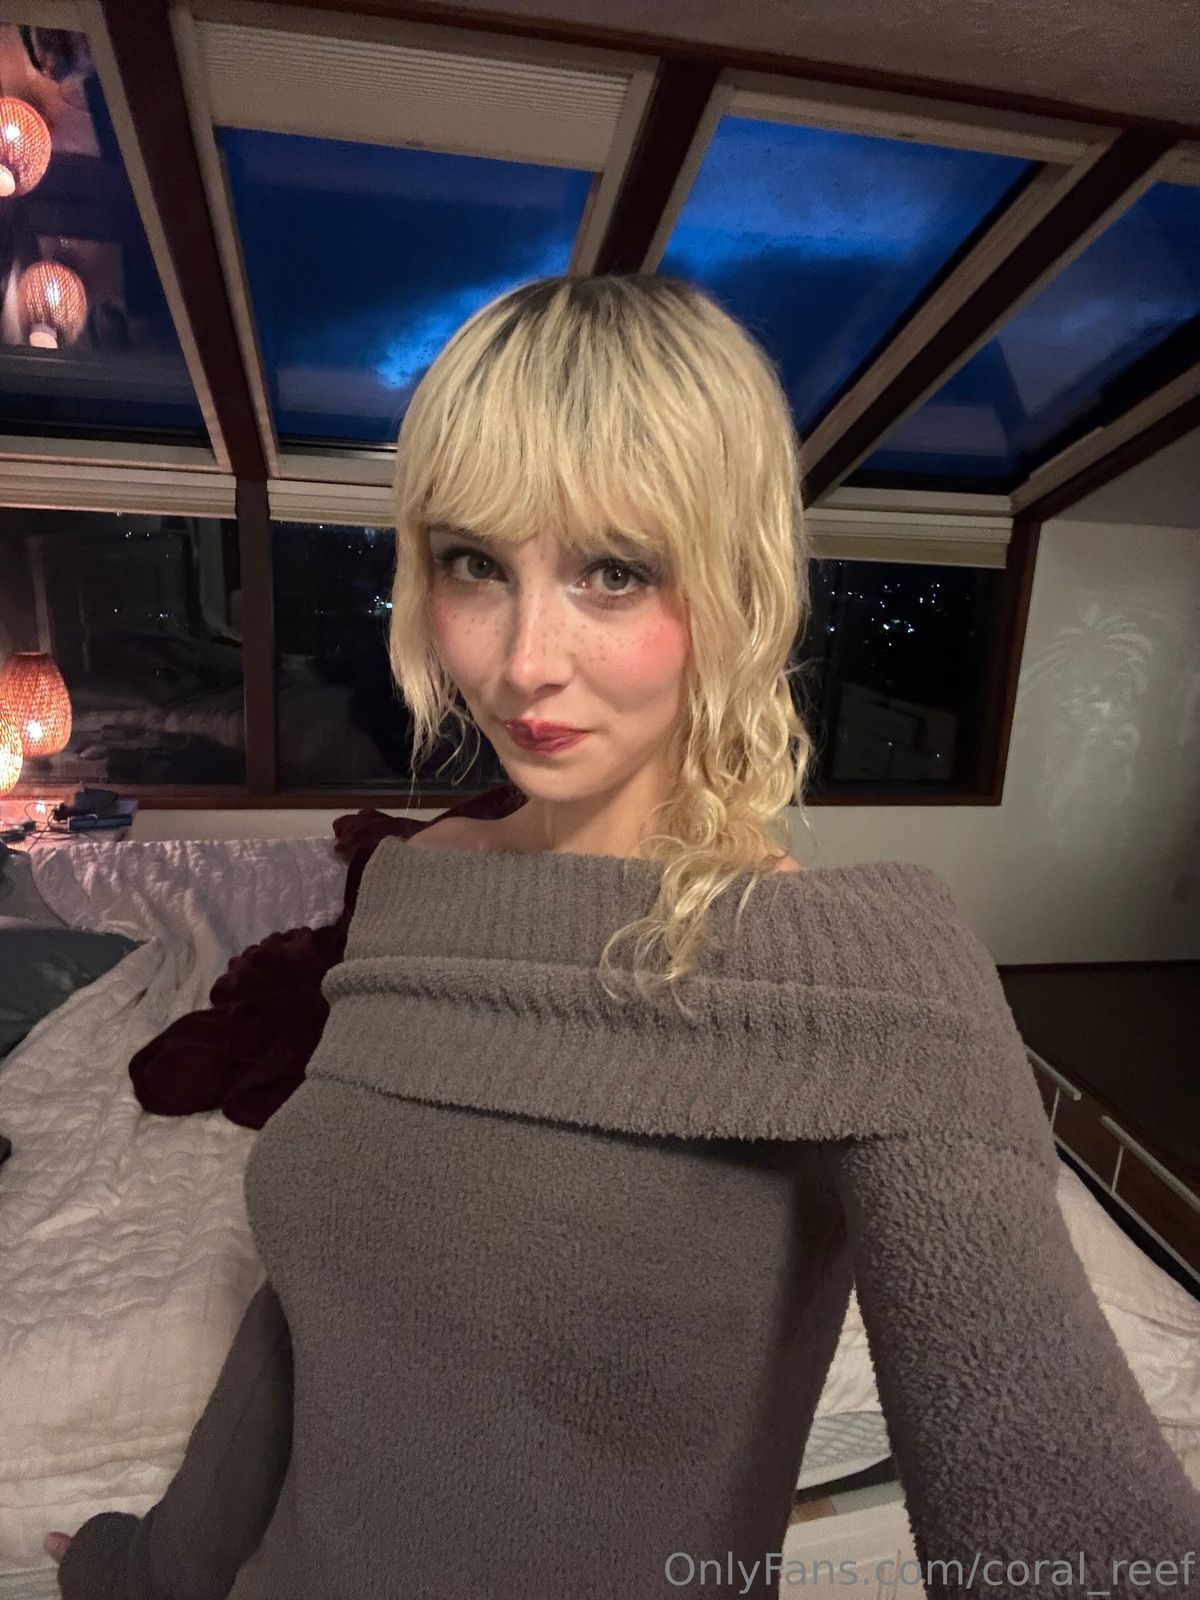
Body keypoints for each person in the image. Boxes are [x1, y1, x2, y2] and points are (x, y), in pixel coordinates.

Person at [50, 275, 1200, 1597]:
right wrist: (139, 1572)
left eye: (614, 571)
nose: (524, 661)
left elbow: (1069, 1514)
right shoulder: (418, 886)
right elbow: (303, 1316)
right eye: (477, 564)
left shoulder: (876, 979)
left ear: (734, 583)